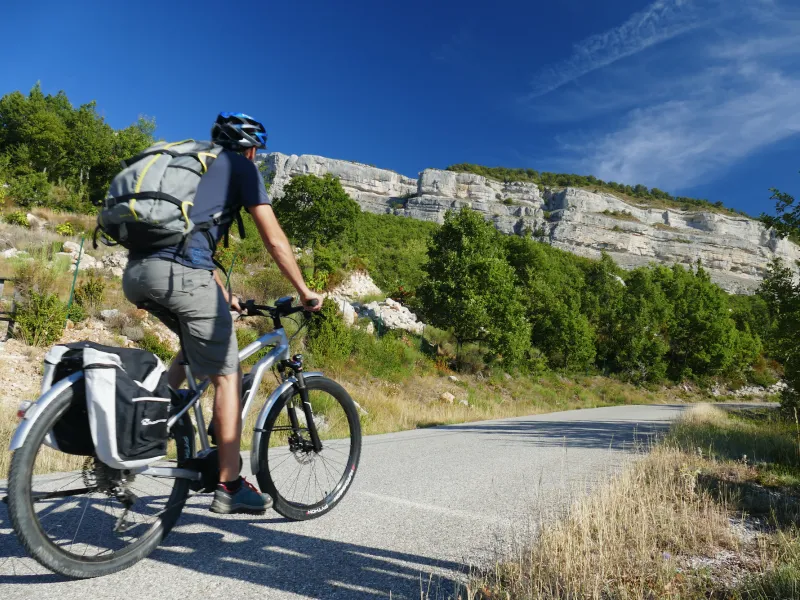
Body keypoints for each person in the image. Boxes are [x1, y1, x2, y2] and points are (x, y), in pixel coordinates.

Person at [122, 112, 322, 514]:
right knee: (228, 374)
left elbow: (187, 240)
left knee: (193, 347)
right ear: (250, 148)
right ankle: (229, 485)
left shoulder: (194, 170)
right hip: (182, 277)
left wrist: (222, 293)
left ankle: (151, 424)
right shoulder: (241, 168)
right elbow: (274, 238)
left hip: (138, 273)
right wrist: (304, 290)